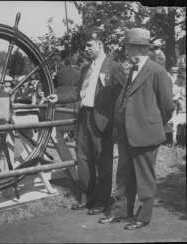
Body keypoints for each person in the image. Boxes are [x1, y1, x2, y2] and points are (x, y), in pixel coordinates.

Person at [99, 28, 175, 230]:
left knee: (144, 178)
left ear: (137, 48)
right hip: (126, 133)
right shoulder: (132, 69)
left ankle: (143, 217)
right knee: (124, 175)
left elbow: (167, 106)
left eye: (128, 47)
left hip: (145, 134)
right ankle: (122, 212)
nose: (125, 50)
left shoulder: (157, 71)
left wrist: (151, 124)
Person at [46, 27, 125, 215]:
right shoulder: (86, 68)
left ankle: (102, 201)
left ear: (100, 44)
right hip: (84, 117)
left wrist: (115, 124)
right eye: (85, 46)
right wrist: (58, 98)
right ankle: (87, 198)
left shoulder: (114, 67)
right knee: (82, 158)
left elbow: (122, 96)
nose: (86, 49)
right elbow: (77, 92)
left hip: (102, 121)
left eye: (89, 45)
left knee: (102, 161)